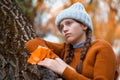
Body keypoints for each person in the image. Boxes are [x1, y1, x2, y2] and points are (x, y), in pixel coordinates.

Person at [25, 2, 118, 80]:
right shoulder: (65, 50)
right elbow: (32, 44)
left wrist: (64, 70)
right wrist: (57, 61)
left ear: (84, 26)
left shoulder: (102, 48)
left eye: (69, 23)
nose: (64, 29)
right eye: (61, 27)